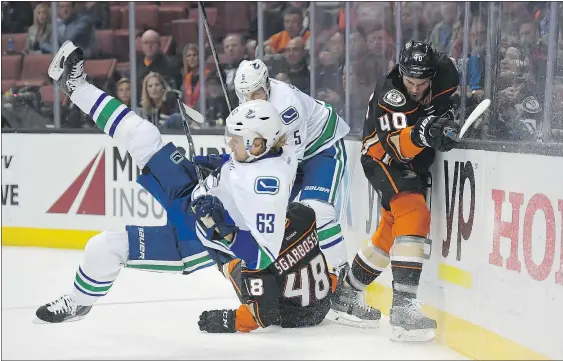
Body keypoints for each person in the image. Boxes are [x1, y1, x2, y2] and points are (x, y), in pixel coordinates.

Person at [35, 41, 333, 333]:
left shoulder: (270, 187)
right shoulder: (264, 149)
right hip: (198, 191)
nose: (230, 142)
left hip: (200, 237)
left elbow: (263, 256)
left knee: (103, 247)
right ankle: (76, 87)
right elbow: (239, 164)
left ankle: (77, 302)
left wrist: (225, 229)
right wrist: (219, 163)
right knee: (144, 136)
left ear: (257, 143)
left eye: (236, 139)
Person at [232, 59, 381, 327]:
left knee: (319, 212)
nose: (250, 99)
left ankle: (343, 292)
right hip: (287, 158)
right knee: (266, 219)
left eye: (256, 93)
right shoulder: (246, 109)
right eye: (244, 95)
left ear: (267, 85)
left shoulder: (287, 106)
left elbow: (289, 161)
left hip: (321, 150)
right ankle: (273, 287)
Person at [338, 40, 461, 341]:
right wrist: (425, 132)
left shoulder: (446, 73)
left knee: (389, 233)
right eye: (410, 81)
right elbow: (397, 148)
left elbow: (449, 106)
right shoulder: (389, 93)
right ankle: (404, 307)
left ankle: (346, 293)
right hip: (381, 155)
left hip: (410, 155)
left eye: (422, 83)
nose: (416, 88)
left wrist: (446, 126)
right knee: (414, 213)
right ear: (401, 73)